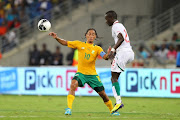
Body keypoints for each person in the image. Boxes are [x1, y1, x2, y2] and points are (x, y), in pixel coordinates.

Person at [49, 28, 120, 116]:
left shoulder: (97, 48)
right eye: (89, 34)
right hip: (81, 73)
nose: (91, 35)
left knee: (103, 94)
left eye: (93, 34)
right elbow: (65, 42)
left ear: (95, 37)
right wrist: (56, 38)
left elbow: (105, 57)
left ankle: (112, 110)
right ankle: (68, 108)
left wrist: (108, 54)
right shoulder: (79, 44)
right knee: (73, 84)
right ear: (86, 35)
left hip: (92, 75)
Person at [105, 10, 134, 113]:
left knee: (113, 78)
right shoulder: (120, 25)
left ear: (111, 17)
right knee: (115, 77)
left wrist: (113, 50)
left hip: (123, 53)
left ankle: (118, 102)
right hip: (129, 52)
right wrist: (114, 56)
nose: (105, 21)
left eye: (106, 19)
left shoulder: (116, 26)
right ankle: (117, 100)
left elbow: (121, 38)